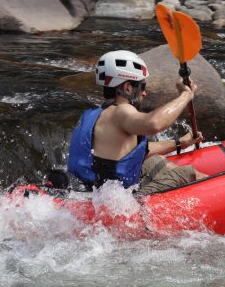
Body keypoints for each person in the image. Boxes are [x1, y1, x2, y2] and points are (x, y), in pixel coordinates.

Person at [67, 50, 205, 195]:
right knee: (189, 173)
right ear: (127, 87)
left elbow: (135, 150)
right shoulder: (121, 111)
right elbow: (154, 123)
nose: (144, 93)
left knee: (156, 161)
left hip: (93, 191)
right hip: (112, 203)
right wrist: (186, 95)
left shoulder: (96, 114)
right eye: (142, 86)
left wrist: (180, 143)